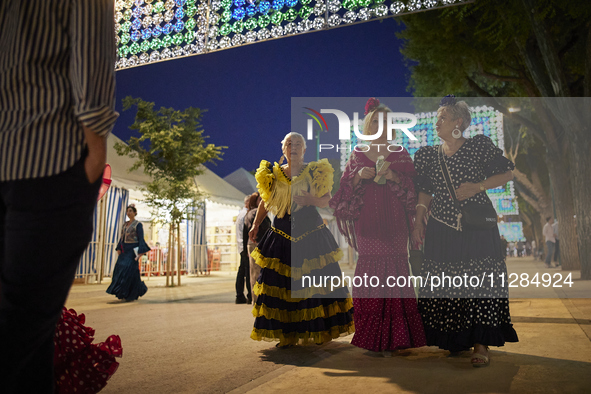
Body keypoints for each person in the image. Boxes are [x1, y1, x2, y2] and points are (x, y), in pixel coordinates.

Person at [0, 1, 118, 392]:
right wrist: (95, 147)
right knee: (23, 328)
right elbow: (92, 51)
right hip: (48, 157)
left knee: (29, 340)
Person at [412, 95, 518, 367]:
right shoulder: (428, 155)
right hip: (441, 228)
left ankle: (481, 343)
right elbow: (425, 190)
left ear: (459, 122)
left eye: (443, 118)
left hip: (476, 228)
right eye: (437, 118)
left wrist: (478, 186)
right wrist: (419, 218)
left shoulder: (478, 146)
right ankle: (455, 339)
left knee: (481, 281)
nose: (437, 123)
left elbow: (507, 174)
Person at [330, 98, 426, 356]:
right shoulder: (358, 154)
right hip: (368, 223)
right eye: (375, 121)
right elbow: (344, 190)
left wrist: (394, 175)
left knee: (396, 269)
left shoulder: (400, 153)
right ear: (367, 126)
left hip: (395, 223)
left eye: (385, 121)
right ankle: (372, 335)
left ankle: (398, 335)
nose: (380, 125)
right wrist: (359, 175)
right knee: (370, 270)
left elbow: (414, 189)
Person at [249, 132, 354, 347]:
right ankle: (286, 336)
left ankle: (318, 331)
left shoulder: (316, 171)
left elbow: (327, 201)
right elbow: (265, 202)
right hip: (280, 235)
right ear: (283, 149)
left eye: (298, 144)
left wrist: (310, 199)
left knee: (314, 285)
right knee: (282, 286)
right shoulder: (272, 174)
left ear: (304, 150)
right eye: (289, 143)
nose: (293, 147)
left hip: (311, 235)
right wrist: (256, 223)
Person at [106, 205, 150, 301]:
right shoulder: (125, 224)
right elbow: (121, 237)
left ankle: (129, 293)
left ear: (134, 213)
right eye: (127, 211)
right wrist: (118, 248)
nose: (128, 213)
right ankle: (125, 292)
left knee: (128, 271)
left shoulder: (138, 225)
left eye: (130, 211)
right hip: (124, 251)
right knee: (120, 270)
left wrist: (140, 253)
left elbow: (141, 239)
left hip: (132, 251)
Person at [244, 192, 271, 305]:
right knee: (257, 273)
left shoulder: (249, 213)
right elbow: (264, 229)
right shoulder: (255, 213)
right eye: (260, 199)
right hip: (258, 243)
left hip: (252, 243)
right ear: (255, 201)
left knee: (254, 273)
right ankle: (258, 300)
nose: (262, 201)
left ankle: (256, 299)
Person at [235, 195, 252, 304]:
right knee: (246, 271)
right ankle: (247, 295)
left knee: (242, 271)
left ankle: (240, 295)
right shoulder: (246, 215)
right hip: (245, 246)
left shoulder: (241, 214)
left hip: (241, 246)